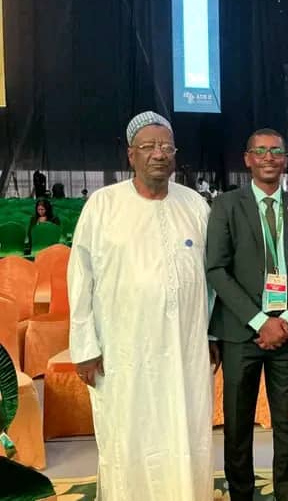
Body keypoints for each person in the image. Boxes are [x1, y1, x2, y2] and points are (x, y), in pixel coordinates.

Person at [68, 111, 215, 501]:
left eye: (166, 146)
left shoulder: (195, 205)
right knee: (128, 437)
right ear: (131, 154)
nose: (159, 154)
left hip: (184, 350)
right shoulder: (103, 205)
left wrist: (212, 333)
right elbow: (80, 278)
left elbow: (212, 278)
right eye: (148, 146)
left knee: (185, 429)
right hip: (123, 352)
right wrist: (84, 346)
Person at [206, 128, 288, 501]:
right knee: (238, 425)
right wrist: (259, 321)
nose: (269, 157)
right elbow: (216, 269)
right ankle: (241, 493)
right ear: (248, 159)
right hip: (241, 333)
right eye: (261, 151)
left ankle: (286, 493)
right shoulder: (226, 205)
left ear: (285, 160)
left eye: (276, 151)